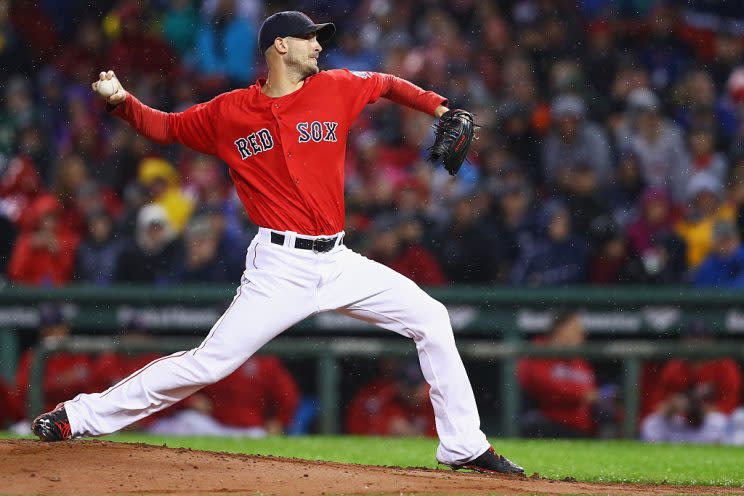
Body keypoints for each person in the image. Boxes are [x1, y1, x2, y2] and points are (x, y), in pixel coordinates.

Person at [32, 11, 522, 475]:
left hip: (337, 259)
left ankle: (464, 445)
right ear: (280, 45)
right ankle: (79, 416)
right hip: (279, 267)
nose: (318, 46)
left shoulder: (335, 87)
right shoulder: (230, 112)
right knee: (209, 363)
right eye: (311, 38)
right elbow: (167, 127)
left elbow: (387, 84)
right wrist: (122, 103)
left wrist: (440, 106)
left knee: (432, 319)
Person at [517, 310, 619, 438]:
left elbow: (591, 391)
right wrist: (581, 394)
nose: (581, 334)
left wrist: (593, 395)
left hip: (580, 426)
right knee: (533, 422)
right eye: (575, 329)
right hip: (549, 422)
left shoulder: (578, 359)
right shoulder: (538, 351)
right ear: (560, 329)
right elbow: (542, 385)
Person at [347, 361, 436, 437]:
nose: (412, 393)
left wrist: (415, 434)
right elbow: (362, 432)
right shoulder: (391, 400)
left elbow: (443, 439)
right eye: (408, 387)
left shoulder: (436, 402)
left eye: (416, 387)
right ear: (399, 386)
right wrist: (388, 429)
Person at [692, 220, 744, 288]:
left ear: (737, 240)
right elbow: (707, 292)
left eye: (730, 240)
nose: (728, 245)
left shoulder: (741, 257)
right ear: (715, 244)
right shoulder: (707, 267)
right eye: (723, 242)